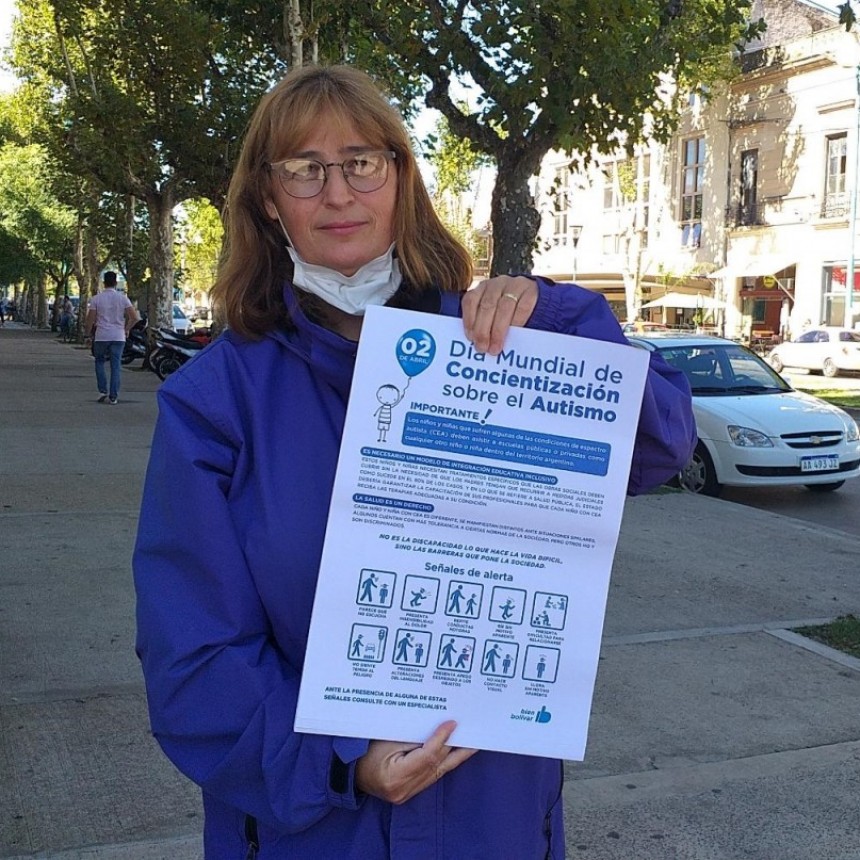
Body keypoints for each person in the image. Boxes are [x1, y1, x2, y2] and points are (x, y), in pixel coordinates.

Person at [133, 65, 696, 859]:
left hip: (493, 821)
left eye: (361, 162)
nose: (338, 193)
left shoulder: (500, 347)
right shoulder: (213, 403)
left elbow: (663, 443)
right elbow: (191, 653)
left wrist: (558, 323)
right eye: (304, 169)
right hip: (315, 833)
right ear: (267, 198)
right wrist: (341, 764)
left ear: (401, 177)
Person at [86, 271, 139, 404]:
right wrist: (126, 329)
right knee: (116, 366)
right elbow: (134, 317)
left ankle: (102, 390)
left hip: (101, 336)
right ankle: (113, 396)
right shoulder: (123, 298)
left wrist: (88, 335)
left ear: (104, 283)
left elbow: (90, 319)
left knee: (99, 362)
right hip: (118, 336)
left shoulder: (96, 299)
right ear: (116, 283)